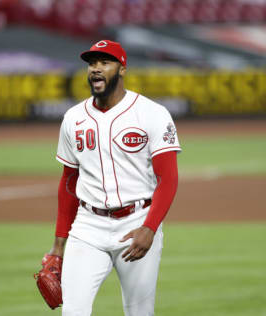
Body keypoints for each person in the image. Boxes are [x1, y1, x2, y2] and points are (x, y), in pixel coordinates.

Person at [46, 40, 181, 315]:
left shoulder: (152, 113)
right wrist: (58, 246)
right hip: (88, 227)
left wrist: (150, 228)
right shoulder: (73, 118)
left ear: (122, 69)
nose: (96, 69)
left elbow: (168, 179)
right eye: (92, 63)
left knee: (139, 312)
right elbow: (69, 184)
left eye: (105, 62)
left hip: (136, 223)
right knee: (73, 311)